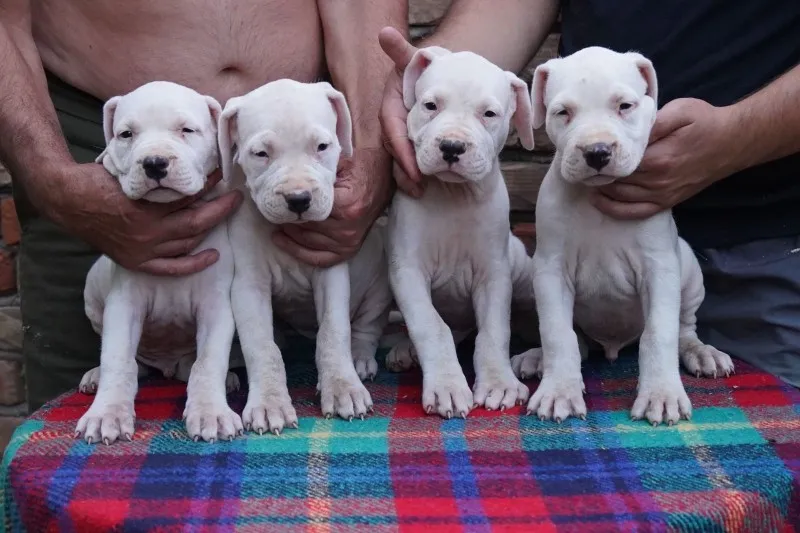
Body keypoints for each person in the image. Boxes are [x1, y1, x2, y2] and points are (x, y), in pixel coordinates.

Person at [0, 0, 406, 411]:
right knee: (84, 430)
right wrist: (51, 175)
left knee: (320, 421)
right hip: (97, 136)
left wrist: (373, 149)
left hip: (297, 123)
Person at [380, 0, 800, 387]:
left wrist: (738, 137)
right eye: (564, 112)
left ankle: (684, 333)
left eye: (625, 107)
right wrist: (437, 74)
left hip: (767, 252)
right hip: (577, 313)